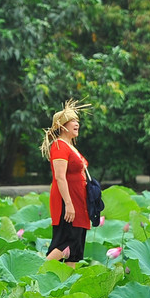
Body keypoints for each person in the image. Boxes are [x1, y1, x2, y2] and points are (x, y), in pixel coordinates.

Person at [40, 100, 92, 267]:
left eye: (77, 120)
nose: (77, 124)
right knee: (66, 242)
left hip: (78, 200)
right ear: (62, 126)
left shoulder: (70, 146)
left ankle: (67, 287)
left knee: (74, 247)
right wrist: (69, 204)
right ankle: (36, 272)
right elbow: (60, 177)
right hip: (66, 201)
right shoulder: (59, 147)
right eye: (72, 121)